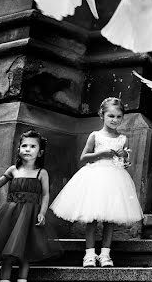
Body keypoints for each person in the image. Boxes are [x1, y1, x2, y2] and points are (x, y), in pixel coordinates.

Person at [51, 98, 144, 266]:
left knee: (110, 219)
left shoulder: (123, 139)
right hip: (96, 177)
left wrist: (123, 157)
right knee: (92, 217)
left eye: (119, 117)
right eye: (111, 116)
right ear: (102, 115)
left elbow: (126, 163)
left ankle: (105, 254)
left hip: (115, 179)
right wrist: (102, 154)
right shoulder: (95, 135)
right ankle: (89, 254)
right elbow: (83, 157)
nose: (115, 120)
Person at [0, 130, 61, 282]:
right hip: (11, 215)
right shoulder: (13, 170)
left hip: (30, 216)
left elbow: (46, 194)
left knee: (25, 251)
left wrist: (42, 212)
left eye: (32, 146)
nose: (27, 149)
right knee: (7, 252)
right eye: (24, 145)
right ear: (19, 149)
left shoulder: (41, 173)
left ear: (40, 152)